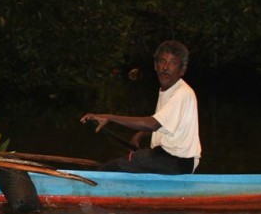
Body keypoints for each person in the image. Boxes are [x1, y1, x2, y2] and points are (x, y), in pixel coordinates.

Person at [80, 40, 201, 174]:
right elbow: (166, 124)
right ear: (155, 65)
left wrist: (110, 117)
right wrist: (140, 134)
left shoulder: (182, 93)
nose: (165, 67)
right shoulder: (168, 89)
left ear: (182, 70)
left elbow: (153, 124)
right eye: (162, 61)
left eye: (172, 62)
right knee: (127, 162)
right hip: (167, 157)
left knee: (110, 169)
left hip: (179, 162)